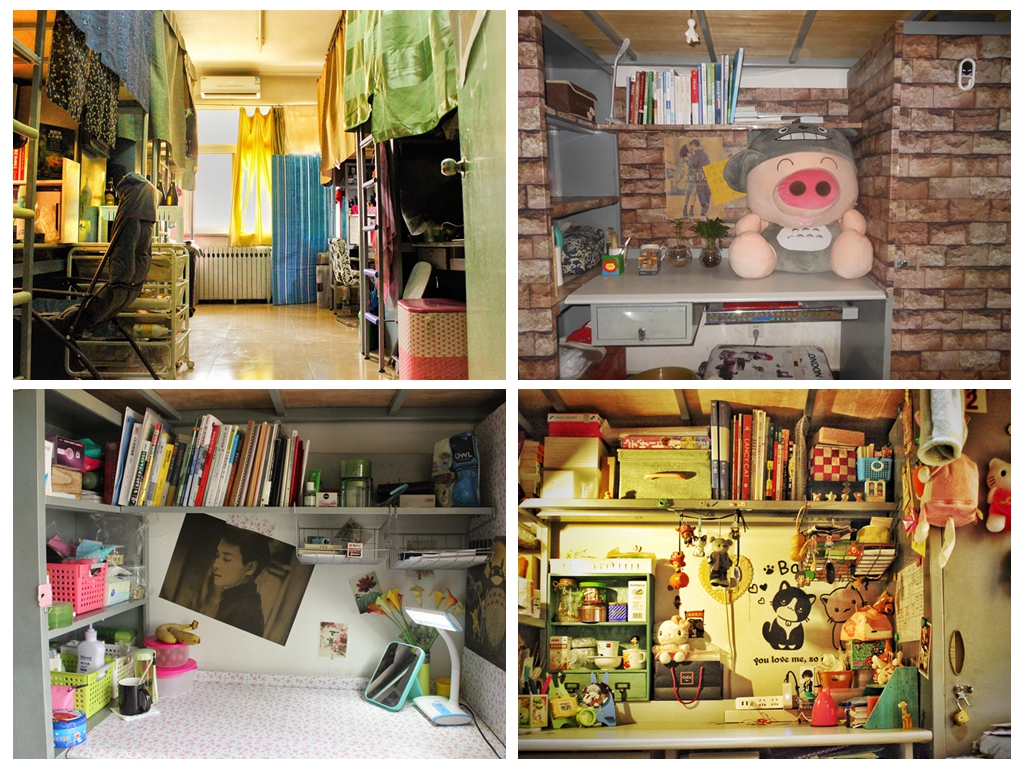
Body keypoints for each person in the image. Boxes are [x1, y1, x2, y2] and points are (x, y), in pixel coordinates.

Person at [212, 525, 271, 636]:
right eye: (217, 555)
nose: (215, 565)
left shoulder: (245, 613)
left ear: (250, 568)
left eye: (226, 559)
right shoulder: (234, 601)